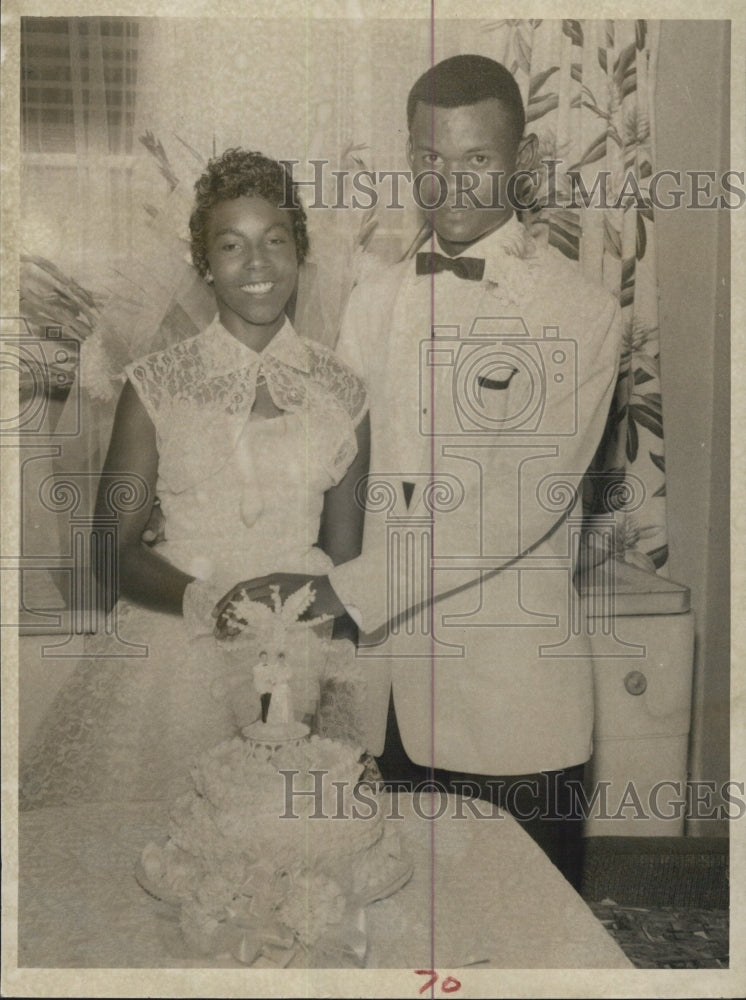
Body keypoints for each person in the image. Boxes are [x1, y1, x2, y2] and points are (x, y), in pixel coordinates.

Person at [225, 56, 622, 890]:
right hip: (384, 704)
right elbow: (347, 471)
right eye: (431, 160)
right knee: (399, 941)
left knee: (520, 951)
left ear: (523, 159)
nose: (450, 185)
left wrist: (345, 592)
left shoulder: (581, 312)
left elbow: (510, 509)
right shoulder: (374, 298)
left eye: (477, 160)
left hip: (513, 713)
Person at [19, 148, 370, 809]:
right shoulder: (155, 385)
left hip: (300, 657)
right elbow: (108, 547)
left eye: (275, 241)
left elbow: (348, 565)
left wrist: (290, 617)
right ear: (204, 264)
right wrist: (205, 601)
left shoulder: (344, 392)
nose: (257, 264)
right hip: (173, 654)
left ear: (300, 252)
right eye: (231, 245)